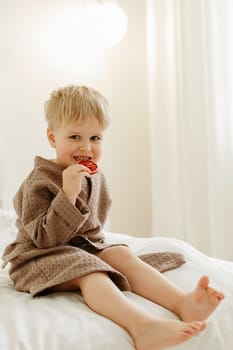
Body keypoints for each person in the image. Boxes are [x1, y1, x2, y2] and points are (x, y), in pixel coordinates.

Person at [2, 85, 224, 350]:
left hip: (77, 251)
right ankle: (142, 327)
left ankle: (183, 303)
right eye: (74, 136)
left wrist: (107, 254)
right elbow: (44, 240)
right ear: (52, 137)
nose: (86, 147)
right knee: (91, 271)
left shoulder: (95, 177)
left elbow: (94, 233)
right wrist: (67, 197)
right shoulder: (39, 182)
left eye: (95, 138)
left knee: (120, 253)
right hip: (36, 259)